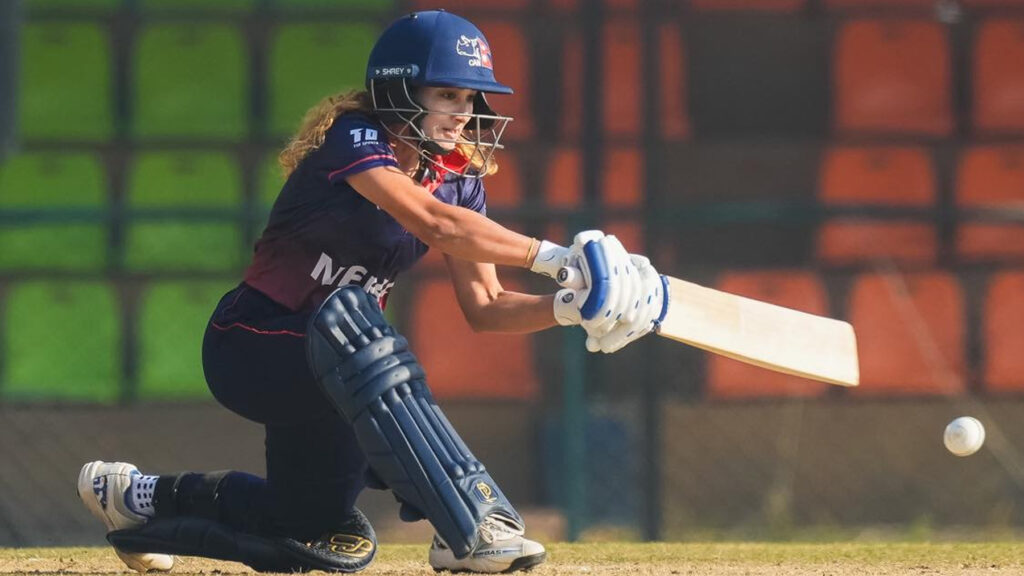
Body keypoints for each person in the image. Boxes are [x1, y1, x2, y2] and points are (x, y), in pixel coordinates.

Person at [77, 9, 663, 574]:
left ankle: (136, 498)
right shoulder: (355, 138)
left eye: (469, 98)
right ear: (399, 89)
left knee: (304, 524)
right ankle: (468, 525)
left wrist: (569, 306)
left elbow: (487, 307)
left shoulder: (458, 181)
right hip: (252, 346)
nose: (463, 113)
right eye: (447, 94)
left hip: (340, 373)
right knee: (359, 327)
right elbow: (433, 223)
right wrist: (559, 259)